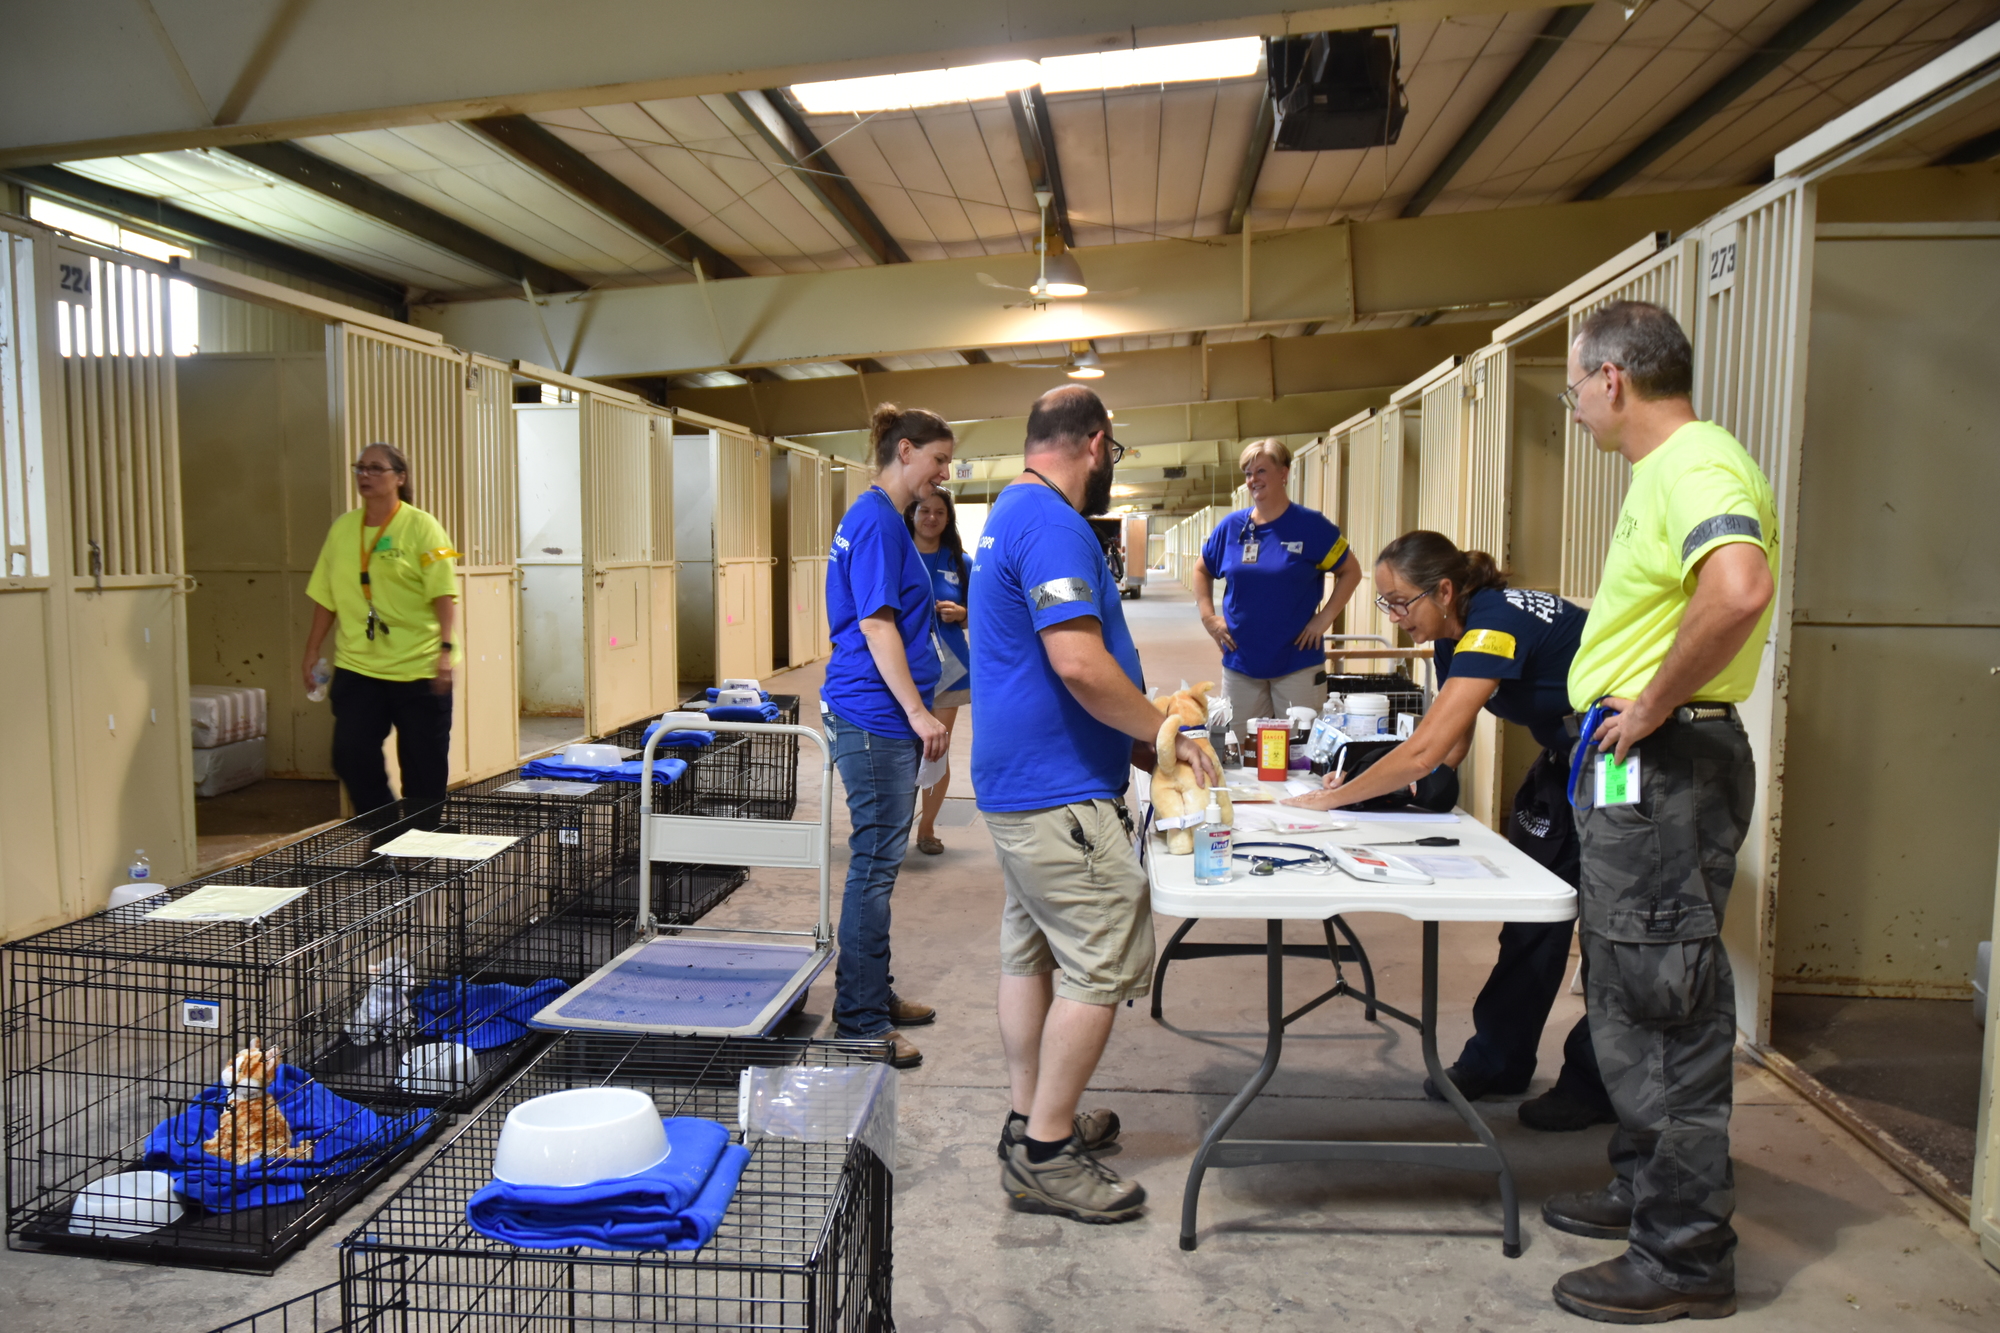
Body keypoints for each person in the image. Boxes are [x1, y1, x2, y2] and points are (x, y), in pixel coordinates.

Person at [1543, 300, 1776, 1323]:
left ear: (1611, 379)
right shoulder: (1664, 473)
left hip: (1665, 762)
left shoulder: (1693, 464)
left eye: (1571, 387)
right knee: (1633, 984)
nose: (1575, 407)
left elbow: (1736, 587)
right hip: (1642, 764)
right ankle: (1643, 1187)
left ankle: (1683, 1251)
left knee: (1668, 998)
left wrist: (1647, 704)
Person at [972, 385, 1218, 1224]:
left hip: (1023, 787)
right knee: (1105, 955)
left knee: (1031, 951)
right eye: (1113, 454)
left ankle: (1028, 1115)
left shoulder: (1009, 510)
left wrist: (1145, 728)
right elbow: (1076, 663)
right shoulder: (1050, 523)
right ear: (1098, 443)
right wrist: (1165, 735)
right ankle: (1046, 1154)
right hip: (1056, 792)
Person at [1283, 532, 1614, 1132]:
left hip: (1621, 768)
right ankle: (1501, 1060)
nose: (1394, 616)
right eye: (1384, 603)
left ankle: (1596, 1083)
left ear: (1444, 589)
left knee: (1614, 939)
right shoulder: (1448, 634)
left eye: (1400, 602)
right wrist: (1380, 787)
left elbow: (1427, 750)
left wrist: (1334, 800)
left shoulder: (1493, 623)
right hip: (1569, 762)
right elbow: (1449, 746)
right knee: (1534, 921)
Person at [821, 403, 956, 1070]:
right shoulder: (876, 521)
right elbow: (876, 627)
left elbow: (891, 615)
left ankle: (876, 990)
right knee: (873, 868)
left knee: (881, 865)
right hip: (873, 716)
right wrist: (918, 712)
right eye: (938, 460)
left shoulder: (880, 518)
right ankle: (860, 1019)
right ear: (906, 451)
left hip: (876, 712)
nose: (943, 473)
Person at [301, 443, 459, 819]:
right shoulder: (343, 529)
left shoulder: (423, 526)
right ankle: (385, 831)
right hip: (360, 666)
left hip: (419, 667)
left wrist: (445, 650)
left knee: (423, 767)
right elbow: (326, 595)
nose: (364, 475)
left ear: (399, 478)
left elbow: (444, 593)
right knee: (350, 755)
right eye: (359, 468)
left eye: (375, 468)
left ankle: (422, 846)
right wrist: (311, 650)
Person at [1194, 438, 1362, 740]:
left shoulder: (1312, 526)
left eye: (1260, 471)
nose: (1252, 480)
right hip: (1241, 662)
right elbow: (1201, 569)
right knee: (1238, 752)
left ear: (1284, 473)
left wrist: (1323, 620)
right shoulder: (1232, 527)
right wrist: (1209, 618)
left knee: (1300, 753)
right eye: (1247, 473)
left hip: (1297, 662)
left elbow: (1351, 571)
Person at [904, 489, 971, 856]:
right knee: (900, 749)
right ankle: (895, 826)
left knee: (935, 751)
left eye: (939, 512)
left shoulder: (961, 562)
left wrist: (962, 614)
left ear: (948, 519)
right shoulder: (897, 555)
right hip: (903, 669)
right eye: (924, 510)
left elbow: (988, 615)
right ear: (912, 514)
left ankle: (926, 828)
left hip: (950, 669)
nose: (931, 518)